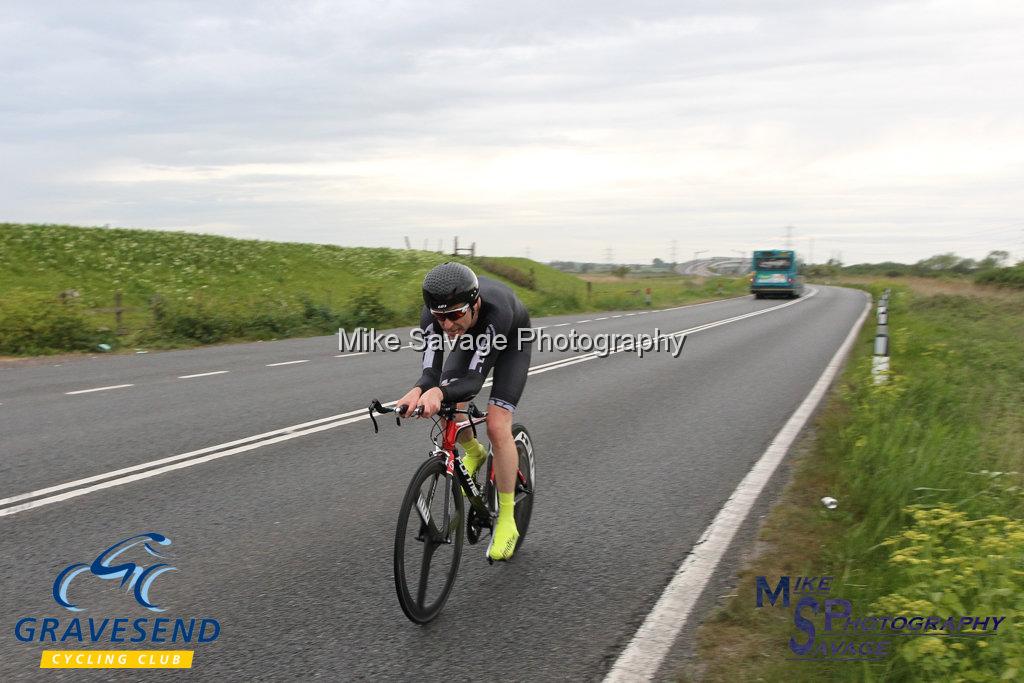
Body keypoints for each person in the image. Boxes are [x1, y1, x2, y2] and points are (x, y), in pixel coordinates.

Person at [395, 262, 532, 561]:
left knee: (497, 425)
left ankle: (507, 520)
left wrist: (438, 392)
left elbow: (472, 382)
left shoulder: (495, 312)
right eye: (440, 317)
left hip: (511, 339)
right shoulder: (436, 316)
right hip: (473, 336)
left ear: (475, 303)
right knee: (445, 402)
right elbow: (431, 375)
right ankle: (473, 451)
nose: (447, 326)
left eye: (455, 314)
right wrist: (418, 390)